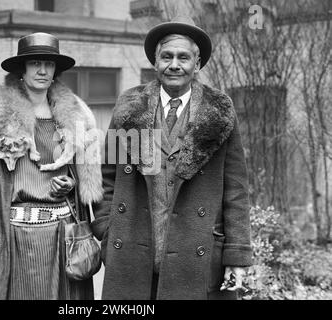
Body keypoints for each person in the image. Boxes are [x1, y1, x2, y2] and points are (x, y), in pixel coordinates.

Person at [92, 16, 252, 300]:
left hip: (195, 257)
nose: (174, 64)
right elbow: (107, 177)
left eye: (183, 57)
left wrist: (236, 256)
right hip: (132, 255)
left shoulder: (219, 113)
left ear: (197, 63)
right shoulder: (130, 108)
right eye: (167, 56)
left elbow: (236, 192)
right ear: (156, 62)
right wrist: (108, 230)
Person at [0, 32, 103, 300]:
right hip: (19, 240)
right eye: (35, 63)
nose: (43, 70)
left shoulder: (77, 116)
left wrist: (71, 183)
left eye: (49, 64)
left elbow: (84, 176)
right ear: (22, 69)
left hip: (65, 238)